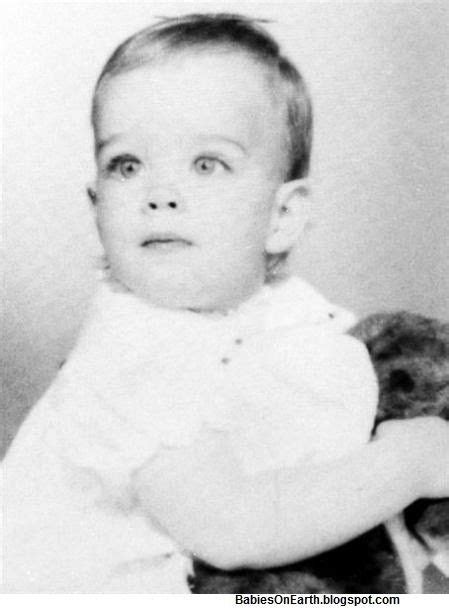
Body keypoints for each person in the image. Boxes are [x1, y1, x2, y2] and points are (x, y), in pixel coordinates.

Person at [3, 13, 449, 593]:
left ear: (282, 217)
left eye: (207, 164)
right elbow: (236, 530)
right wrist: (405, 467)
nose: (160, 194)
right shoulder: (130, 356)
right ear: (96, 205)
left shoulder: (276, 313)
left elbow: (330, 404)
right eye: (127, 165)